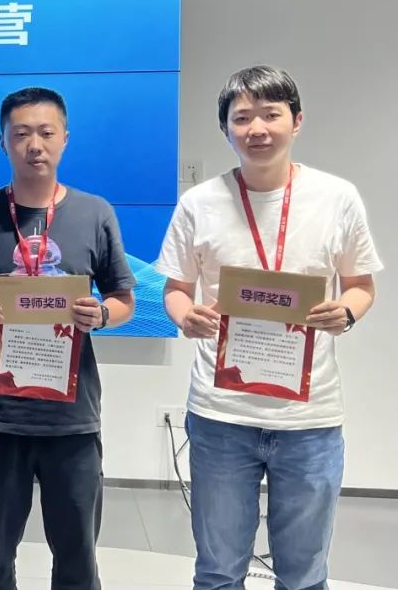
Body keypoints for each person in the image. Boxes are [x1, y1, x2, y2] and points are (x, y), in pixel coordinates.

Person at [155, 65, 382, 589]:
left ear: (296, 121)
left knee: (304, 575)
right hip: (220, 415)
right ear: (226, 129)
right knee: (217, 571)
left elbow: (361, 285)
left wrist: (346, 312)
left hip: (310, 419)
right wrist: (185, 315)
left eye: (270, 114)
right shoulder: (199, 203)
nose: (256, 128)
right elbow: (175, 288)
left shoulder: (337, 197)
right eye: (242, 118)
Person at [0, 86, 136, 590]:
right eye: (21, 133)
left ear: (65, 138)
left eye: (46, 133)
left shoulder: (94, 213)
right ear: (2, 141)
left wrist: (102, 314)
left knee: (77, 561)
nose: (34, 145)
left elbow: (123, 299)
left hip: (72, 419)